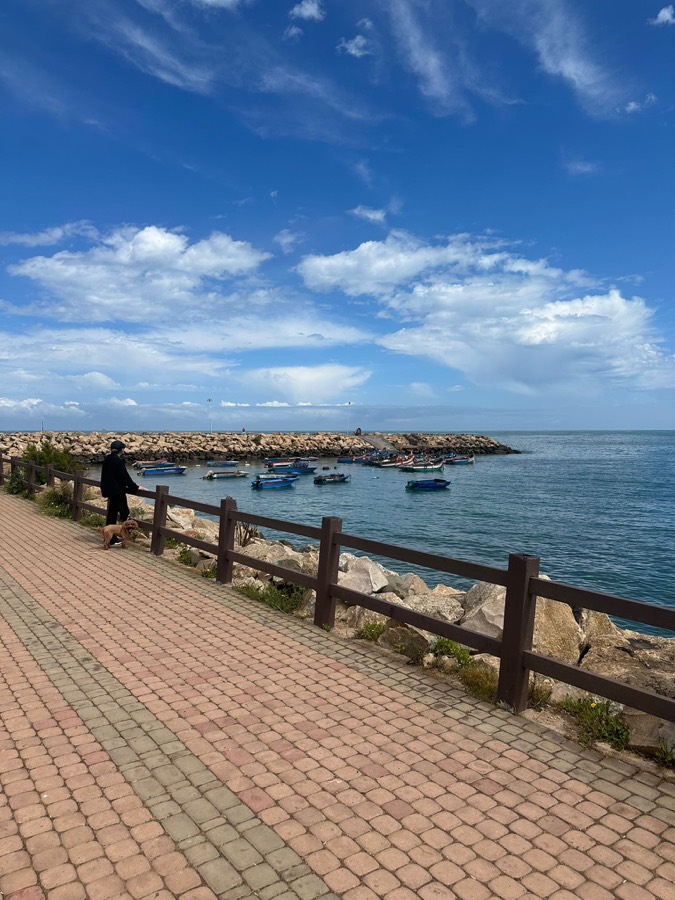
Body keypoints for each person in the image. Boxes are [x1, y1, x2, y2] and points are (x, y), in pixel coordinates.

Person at [101, 440, 143, 544]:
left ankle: (111, 536)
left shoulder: (107, 459)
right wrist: (135, 487)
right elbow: (124, 477)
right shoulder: (117, 461)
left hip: (109, 489)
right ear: (121, 450)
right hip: (117, 491)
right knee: (120, 512)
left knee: (113, 512)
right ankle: (114, 538)